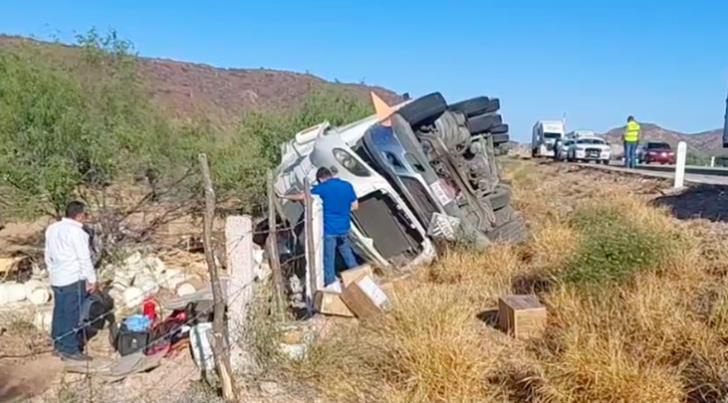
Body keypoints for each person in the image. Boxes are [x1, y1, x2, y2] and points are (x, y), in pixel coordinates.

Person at [283, 168, 359, 288]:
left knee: (328, 259)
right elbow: (355, 206)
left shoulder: (323, 187)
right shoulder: (347, 185)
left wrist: (286, 196)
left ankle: (331, 285)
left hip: (330, 230)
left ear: (320, 179)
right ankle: (359, 277)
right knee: (347, 253)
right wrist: (341, 210)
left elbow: (304, 196)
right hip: (344, 228)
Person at [45, 201, 97, 361]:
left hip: (57, 277)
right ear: (79, 215)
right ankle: (70, 349)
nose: (86, 218)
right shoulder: (78, 233)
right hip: (73, 278)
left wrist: (51, 271)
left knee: (59, 311)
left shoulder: (52, 229)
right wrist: (92, 279)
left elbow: (47, 254)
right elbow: (84, 258)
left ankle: (58, 344)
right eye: (85, 215)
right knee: (72, 314)